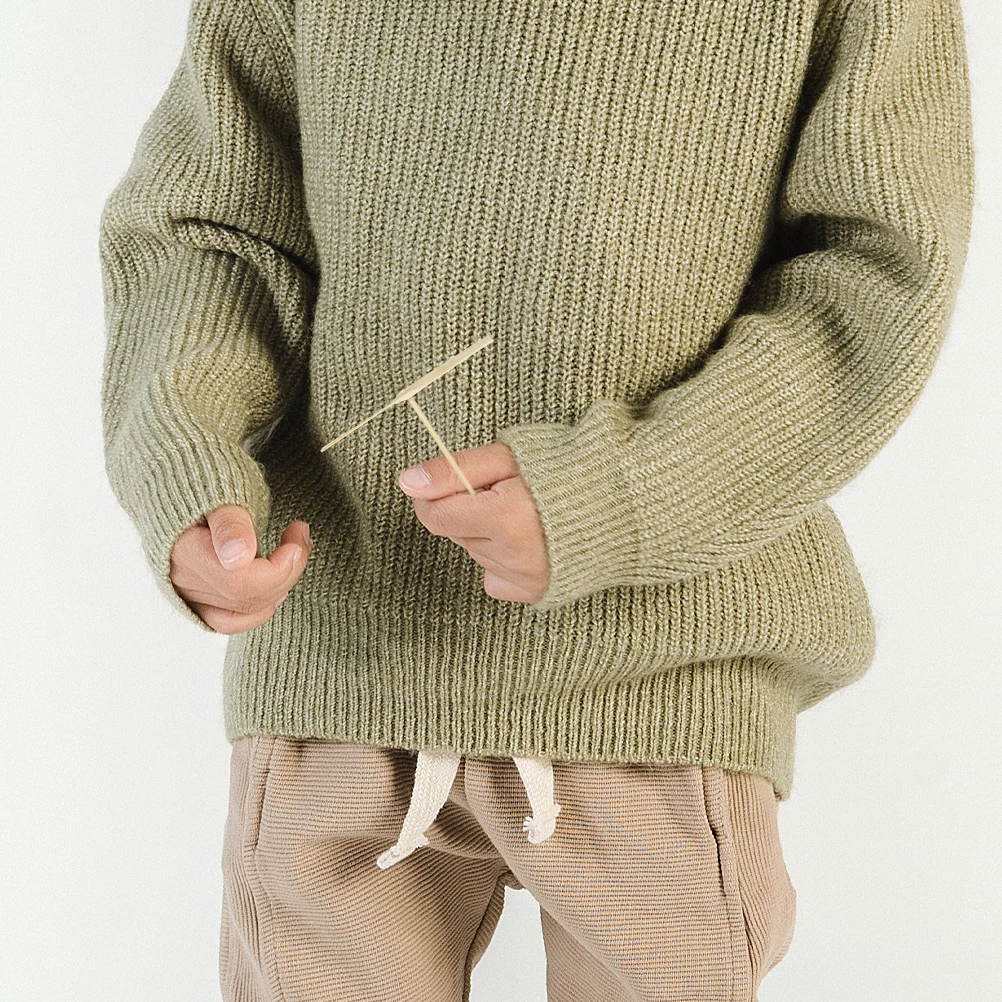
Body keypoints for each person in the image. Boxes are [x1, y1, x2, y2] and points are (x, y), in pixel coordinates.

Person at [98, 0, 974, 998]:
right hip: (338, 676)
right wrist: (187, 465)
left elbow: (875, 272)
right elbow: (215, 228)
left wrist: (621, 496)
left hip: (661, 683)